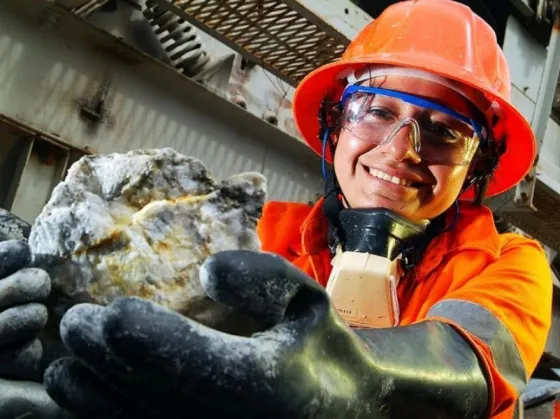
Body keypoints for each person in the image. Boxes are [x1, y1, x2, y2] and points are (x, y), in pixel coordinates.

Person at [0, 0, 553, 418]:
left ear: (477, 166)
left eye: (444, 131)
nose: (400, 151)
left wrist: (353, 372)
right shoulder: (263, 235)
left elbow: (464, 361)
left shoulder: (509, 264)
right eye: (377, 110)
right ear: (333, 126)